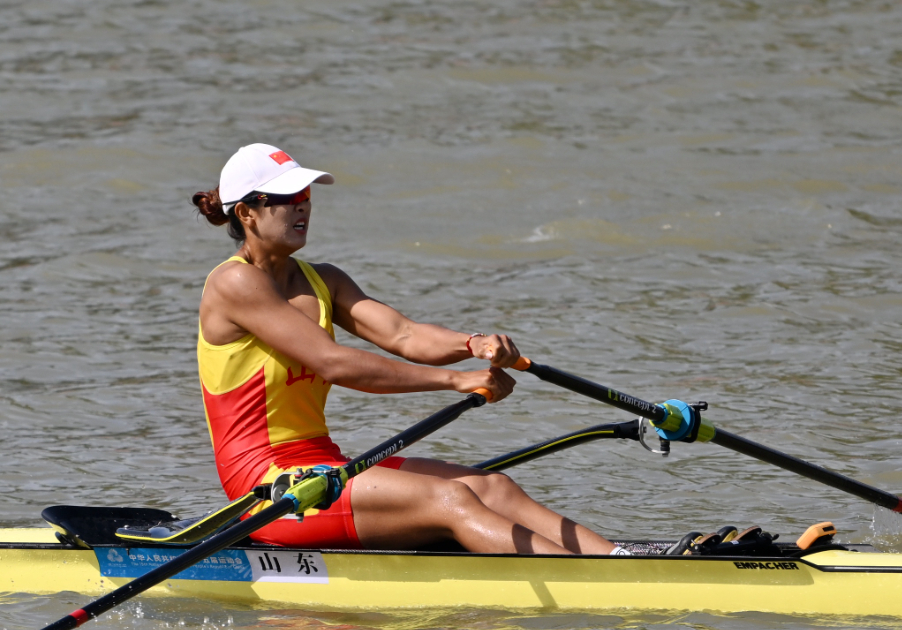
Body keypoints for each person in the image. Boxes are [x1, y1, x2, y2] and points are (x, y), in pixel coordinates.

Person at [192, 143, 626, 556]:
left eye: (306, 195)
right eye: (287, 197)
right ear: (246, 212)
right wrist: (455, 380)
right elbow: (334, 363)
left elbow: (404, 334)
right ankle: (596, 585)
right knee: (451, 499)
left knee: (493, 486)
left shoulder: (324, 279)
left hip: (323, 465)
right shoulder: (235, 282)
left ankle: (619, 559)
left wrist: (474, 344)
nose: (302, 205)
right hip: (267, 489)